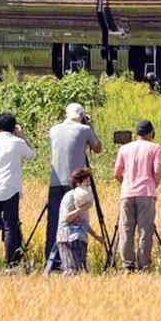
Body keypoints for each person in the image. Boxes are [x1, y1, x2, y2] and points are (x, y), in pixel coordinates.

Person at [46, 103, 102, 269]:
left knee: (55, 220)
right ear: (82, 115)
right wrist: (90, 125)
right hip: (75, 184)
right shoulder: (83, 130)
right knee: (77, 219)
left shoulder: (54, 129)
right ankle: (74, 260)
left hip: (55, 183)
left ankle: (53, 260)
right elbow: (98, 148)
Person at [0, 112, 36, 272]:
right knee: (10, 226)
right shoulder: (17, 142)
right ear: (14, 127)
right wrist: (23, 136)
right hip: (10, 188)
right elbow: (32, 155)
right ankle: (10, 263)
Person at [114, 119, 161, 271]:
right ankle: (144, 265)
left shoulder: (124, 148)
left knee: (126, 229)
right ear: (151, 134)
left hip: (127, 193)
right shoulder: (155, 148)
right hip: (146, 193)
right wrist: (154, 184)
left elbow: (117, 173)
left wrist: (125, 183)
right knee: (145, 230)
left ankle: (128, 264)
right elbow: (157, 171)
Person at [55, 168, 103, 275]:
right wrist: (81, 209)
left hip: (80, 237)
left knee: (79, 271)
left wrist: (97, 237)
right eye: (86, 182)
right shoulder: (70, 196)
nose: (89, 185)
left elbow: (83, 222)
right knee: (72, 270)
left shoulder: (84, 198)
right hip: (68, 237)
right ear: (78, 183)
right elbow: (66, 218)